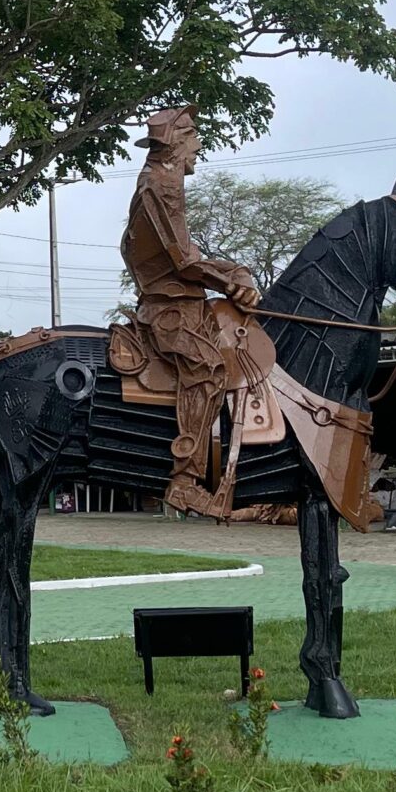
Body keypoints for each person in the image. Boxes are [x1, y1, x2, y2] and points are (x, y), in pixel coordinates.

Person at [122, 104, 263, 517]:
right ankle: (184, 480)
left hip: (181, 302)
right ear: (176, 144)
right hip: (170, 311)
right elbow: (184, 261)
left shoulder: (157, 183)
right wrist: (233, 280)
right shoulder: (161, 185)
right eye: (194, 137)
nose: (199, 147)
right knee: (208, 369)